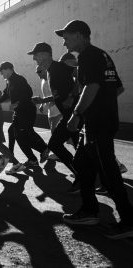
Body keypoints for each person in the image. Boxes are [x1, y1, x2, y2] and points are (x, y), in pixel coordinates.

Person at [56, 20, 133, 239]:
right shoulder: (102, 55)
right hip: (99, 121)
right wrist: (102, 104)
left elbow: (92, 86)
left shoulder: (88, 56)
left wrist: (78, 114)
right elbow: (117, 87)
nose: (64, 43)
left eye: (67, 37)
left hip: (97, 124)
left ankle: (128, 221)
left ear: (80, 35)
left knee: (108, 172)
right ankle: (89, 211)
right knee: (82, 163)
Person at [28, 42, 80, 193]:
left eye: (36, 55)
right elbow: (58, 93)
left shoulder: (60, 67)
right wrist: (43, 100)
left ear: (45, 54)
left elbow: (81, 77)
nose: (34, 59)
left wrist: (71, 96)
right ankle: (87, 175)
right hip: (68, 115)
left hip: (73, 114)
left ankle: (84, 176)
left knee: (55, 144)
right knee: (77, 147)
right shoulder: (50, 71)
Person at [0, 61, 49, 169]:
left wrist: (18, 102)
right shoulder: (9, 81)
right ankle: (11, 155)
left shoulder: (19, 79)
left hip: (26, 111)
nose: (1, 74)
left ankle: (34, 157)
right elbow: (5, 94)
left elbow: (29, 93)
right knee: (14, 131)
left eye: (2, 72)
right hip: (21, 112)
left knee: (22, 135)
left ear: (9, 69)